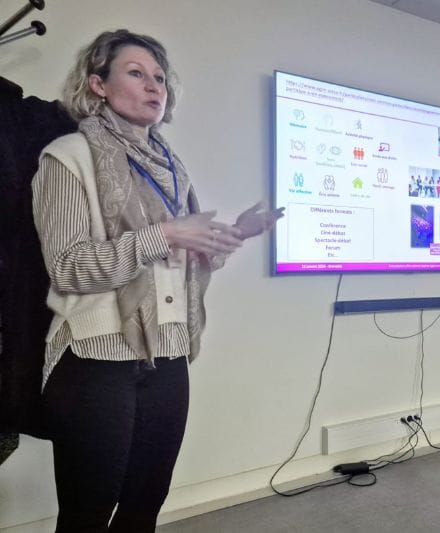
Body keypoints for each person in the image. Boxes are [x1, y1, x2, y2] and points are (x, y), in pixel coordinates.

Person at [31, 29, 284, 532]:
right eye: (136, 73)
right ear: (98, 84)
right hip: (96, 356)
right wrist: (164, 234)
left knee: (146, 502)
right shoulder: (68, 156)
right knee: (87, 512)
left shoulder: (172, 169)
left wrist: (233, 234)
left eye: (160, 78)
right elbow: (69, 267)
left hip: (168, 352)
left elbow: (177, 260)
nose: (154, 87)